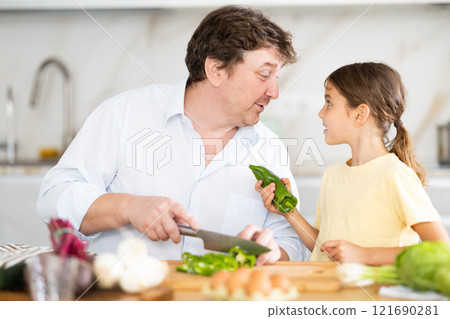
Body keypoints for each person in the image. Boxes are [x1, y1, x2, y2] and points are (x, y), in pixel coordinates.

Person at [37, 5, 309, 265]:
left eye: (276, 78)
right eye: (264, 75)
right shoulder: (125, 114)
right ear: (215, 70)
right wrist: (128, 207)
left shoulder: (269, 147)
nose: (274, 91)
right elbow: (53, 199)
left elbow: (291, 242)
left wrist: (274, 251)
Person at [255, 62, 450, 266]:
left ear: (359, 114)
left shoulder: (395, 175)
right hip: (332, 292)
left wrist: (365, 255)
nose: (321, 113)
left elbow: (440, 249)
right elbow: (323, 247)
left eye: (329, 103)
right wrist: (289, 212)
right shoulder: (333, 175)